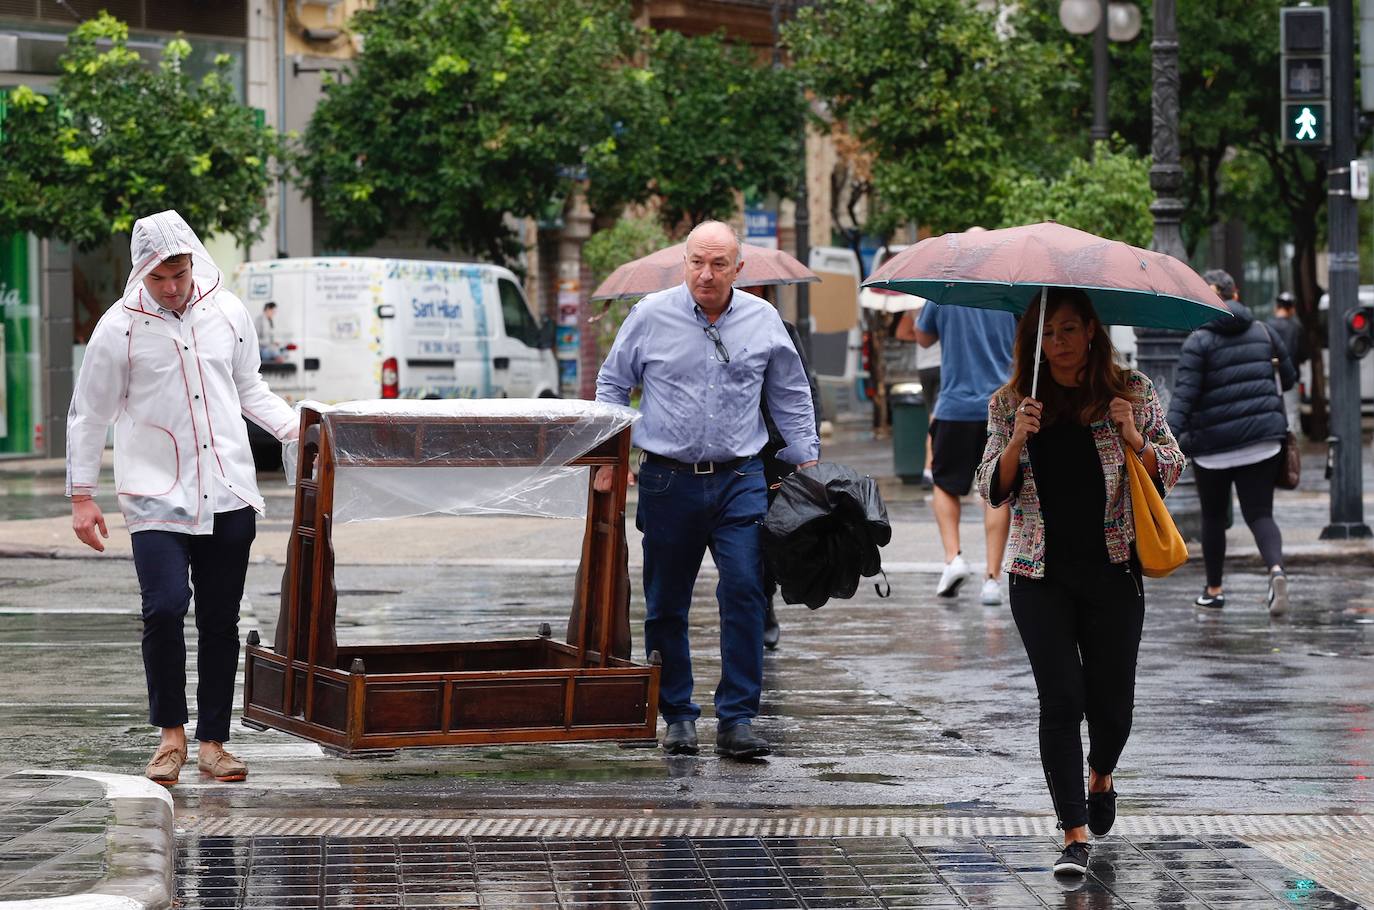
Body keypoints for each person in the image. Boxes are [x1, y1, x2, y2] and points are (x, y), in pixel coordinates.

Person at [66, 211, 299, 786]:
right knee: (165, 608)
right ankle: (171, 735)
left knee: (220, 619)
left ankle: (214, 742)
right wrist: (81, 495)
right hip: (154, 494)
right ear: (141, 272)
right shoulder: (118, 329)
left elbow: (250, 390)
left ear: (192, 262)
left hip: (227, 491)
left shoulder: (227, 312)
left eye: (179, 273)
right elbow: (89, 414)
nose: (172, 287)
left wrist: (300, 430)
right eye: (159, 277)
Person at [976, 287, 1184, 877]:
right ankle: (1073, 832)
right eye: (1046, 334)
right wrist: (1018, 438)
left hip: (1114, 568)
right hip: (1038, 573)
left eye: (1068, 330)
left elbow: (1173, 467)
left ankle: (1103, 775)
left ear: (1090, 331)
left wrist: (1133, 436)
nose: (1057, 344)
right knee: (1061, 698)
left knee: (1112, 704)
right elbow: (991, 485)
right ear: (1031, 342)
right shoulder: (1014, 401)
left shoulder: (1132, 391)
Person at [594, 221, 820, 759]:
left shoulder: (763, 320)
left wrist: (808, 463)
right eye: (698, 261)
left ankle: (738, 716)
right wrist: (611, 456)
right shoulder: (650, 315)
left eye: (719, 264)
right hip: (667, 478)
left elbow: (791, 394)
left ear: (739, 270)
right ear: (685, 262)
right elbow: (611, 384)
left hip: (741, 478)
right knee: (665, 602)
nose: (707, 273)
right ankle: (677, 715)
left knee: (744, 590)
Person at [1167, 269, 1296, 616]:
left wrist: (1163, 443)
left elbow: (1184, 400)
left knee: (1212, 517)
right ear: (1235, 293)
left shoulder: (1199, 341)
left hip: (1214, 448)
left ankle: (1214, 589)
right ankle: (1276, 570)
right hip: (1263, 440)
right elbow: (1289, 376)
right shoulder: (1264, 332)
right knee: (1260, 514)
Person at [914, 277, 1016, 605]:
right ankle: (992, 579)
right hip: (1000, 407)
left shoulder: (945, 292)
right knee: (995, 492)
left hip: (954, 406)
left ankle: (953, 557)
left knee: (944, 484)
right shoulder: (1008, 293)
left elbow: (923, 337)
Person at [759, 318, 823, 650]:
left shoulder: (778, 327)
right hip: (718, 454)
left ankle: (763, 601)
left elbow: (804, 389)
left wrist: (809, 451)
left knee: (769, 531)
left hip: (773, 451)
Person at [895, 303, 941, 486]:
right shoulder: (940, 299)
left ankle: (931, 467)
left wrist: (923, 336)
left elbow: (901, 332)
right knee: (937, 419)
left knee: (933, 415)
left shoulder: (912, 303)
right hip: (943, 363)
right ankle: (929, 469)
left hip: (924, 367)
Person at [1267, 291, 1307, 433]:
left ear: (1277, 307)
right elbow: (1303, 354)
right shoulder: (1297, 327)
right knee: (1291, 414)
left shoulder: (1266, 326)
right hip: (1291, 377)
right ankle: (1291, 450)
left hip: (1270, 378)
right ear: (1292, 309)